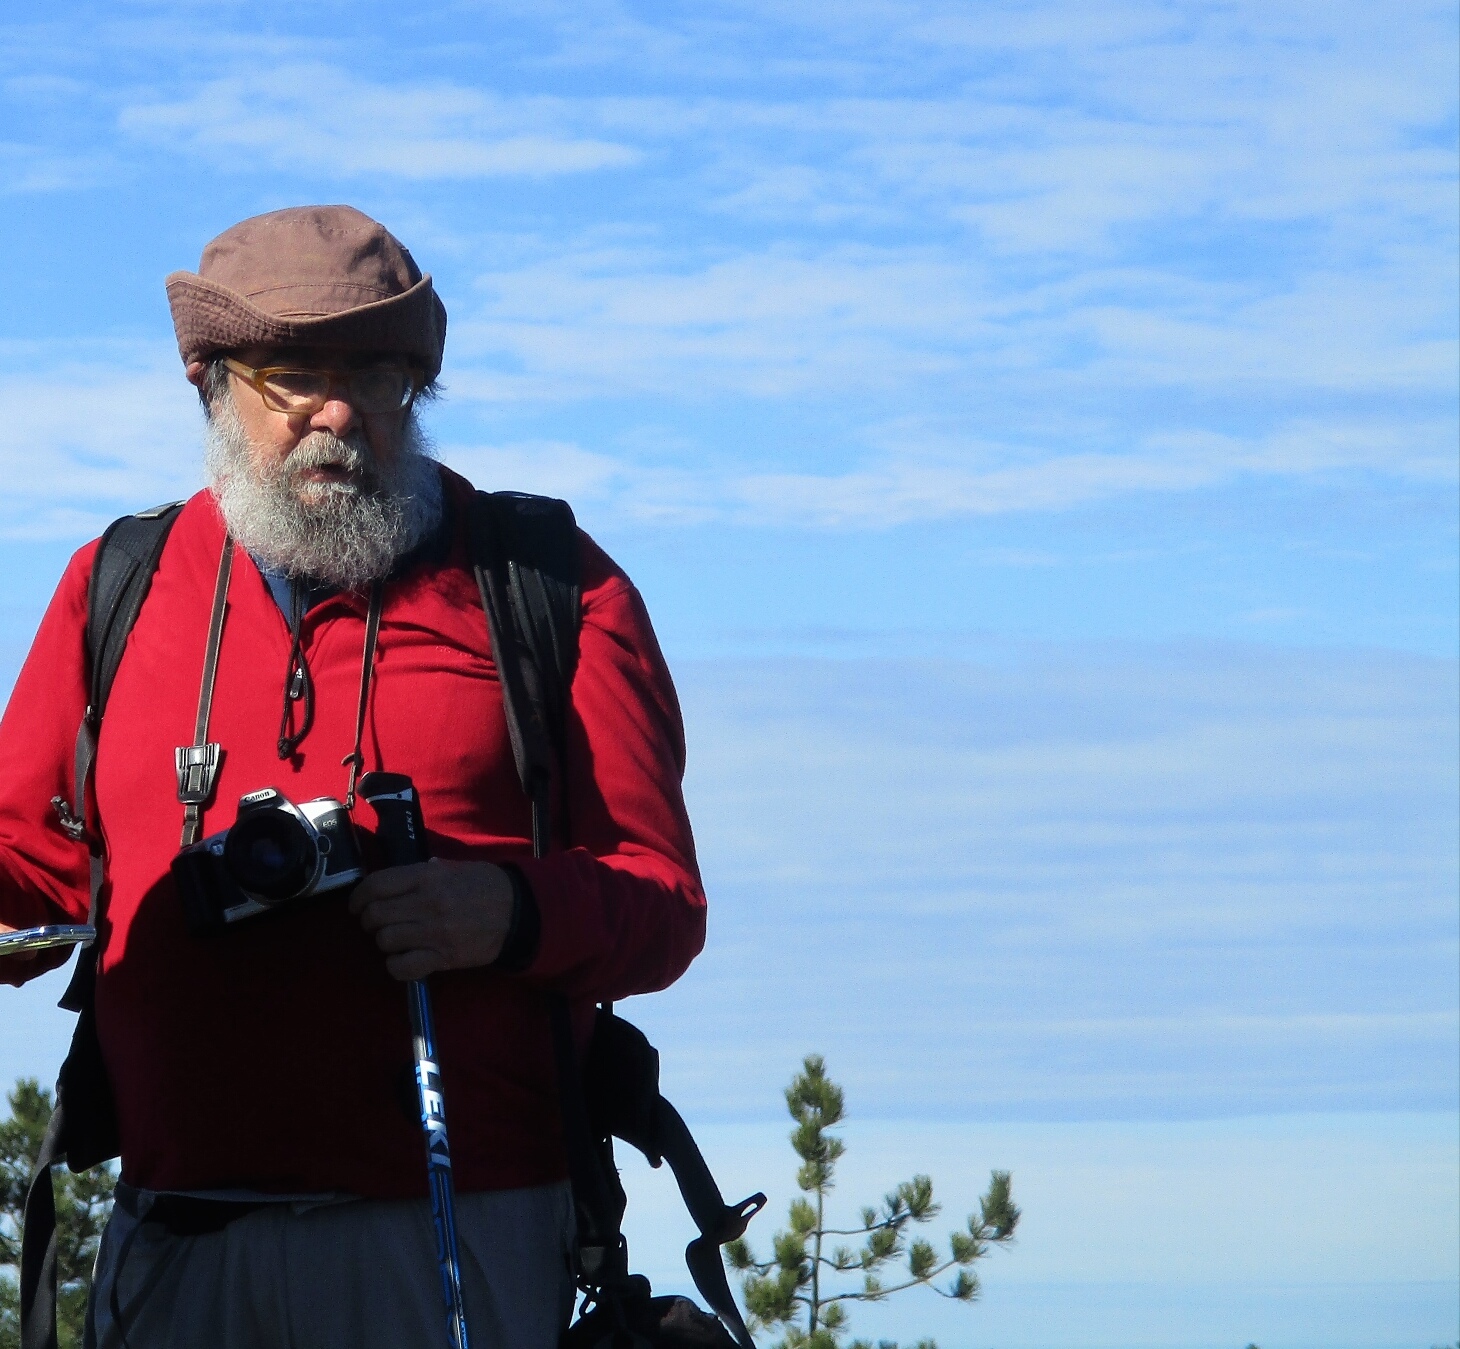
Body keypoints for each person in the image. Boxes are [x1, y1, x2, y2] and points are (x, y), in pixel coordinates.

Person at [0, 205, 707, 1347]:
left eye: (375, 378)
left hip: (456, 1229)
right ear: (213, 382)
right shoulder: (117, 584)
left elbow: (662, 902)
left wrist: (507, 908)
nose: (337, 411)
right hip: (178, 1231)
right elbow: (31, 859)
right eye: (294, 375)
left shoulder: (547, 583)